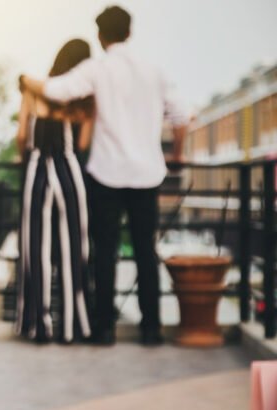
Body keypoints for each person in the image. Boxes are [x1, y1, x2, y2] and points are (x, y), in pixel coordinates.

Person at [21, 5, 189, 346]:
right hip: (146, 174)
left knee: (105, 250)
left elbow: (57, 90)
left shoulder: (97, 69)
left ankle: (104, 328)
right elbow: (182, 116)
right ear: (130, 32)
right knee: (146, 251)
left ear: (100, 36)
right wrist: (177, 154)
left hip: (107, 173)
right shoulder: (153, 70)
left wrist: (24, 81)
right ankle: (151, 328)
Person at [16, 39, 94, 344]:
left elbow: (21, 135)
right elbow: (83, 143)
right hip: (68, 169)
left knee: (35, 246)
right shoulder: (85, 99)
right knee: (74, 246)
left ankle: (38, 325)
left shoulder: (33, 91)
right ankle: (72, 326)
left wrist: (23, 157)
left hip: (36, 167)